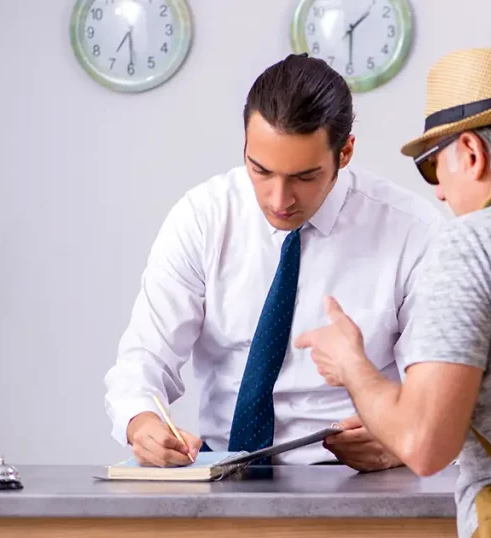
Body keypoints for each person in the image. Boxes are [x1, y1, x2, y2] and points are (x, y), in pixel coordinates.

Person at [295, 46, 491, 538]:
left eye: (433, 166)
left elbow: (424, 443)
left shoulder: (476, 241)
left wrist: (351, 365)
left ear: (471, 154)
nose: (439, 193)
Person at [103, 53, 444, 470]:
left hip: (358, 479)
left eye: (305, 176)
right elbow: (142, 362)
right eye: (260, 170)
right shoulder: (203, 217)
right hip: (221, 472)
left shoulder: (414, 231)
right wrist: (142, 423)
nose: (279, 201)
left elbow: (443, 397)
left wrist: (397, 441)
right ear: (245, 145)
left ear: (346, 151)